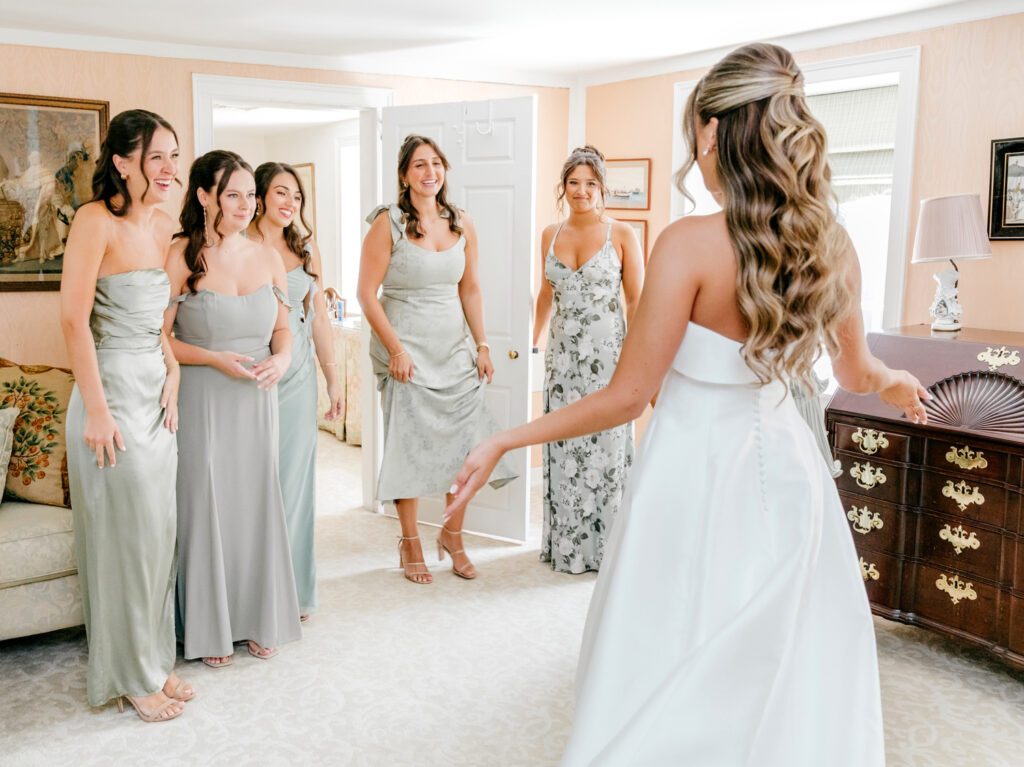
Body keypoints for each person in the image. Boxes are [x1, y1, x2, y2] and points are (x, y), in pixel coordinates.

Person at [447, 43, 929, 765]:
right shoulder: (833, 243)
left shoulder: (688, 244)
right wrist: (891, 379)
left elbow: (625, 397)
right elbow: (855, 371)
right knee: (786, 650)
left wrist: (502, 439)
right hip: (791, 475)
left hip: (693, 472)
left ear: (710, 132)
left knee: (672, 637)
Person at [61, 109, 192, 722]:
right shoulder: (95, 222)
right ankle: (130, 676)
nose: (170, 168)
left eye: (174, 155)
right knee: (124, 538)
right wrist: (95, 409)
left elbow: (152, 319)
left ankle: (152, 660)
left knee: (156, 533)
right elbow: (73, 320)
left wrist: (173, 367)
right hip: (108, 392)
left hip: (151, 392)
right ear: (122, 161)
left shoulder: (163, 225)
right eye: (156, 156)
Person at [357, 134, 517, 584]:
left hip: (455, 352)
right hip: (404, 353)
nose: (430, 173)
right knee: (407, 447)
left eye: (436, 164)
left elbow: (470, 287)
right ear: (405, 176)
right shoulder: (387, 224)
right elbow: (366, 295)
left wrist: (483, 345)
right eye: (419, 165)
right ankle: (409, 541)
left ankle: (452, 534)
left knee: (470, 449)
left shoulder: (462, 222)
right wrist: (396, 349)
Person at [164, 150, 301, 666]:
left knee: (256, 504)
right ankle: (209, 626)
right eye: (232, 194)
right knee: (207, 506)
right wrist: (212, 360)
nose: (246, 204)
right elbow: (155, 339)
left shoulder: (268, 255)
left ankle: (258, 618)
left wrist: (283, 359)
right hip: (202, 398)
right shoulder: (181, 253)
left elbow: (284, 330)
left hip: (258, 399)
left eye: (250, 194)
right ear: (204, 196)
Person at [533, 146, 643, 573]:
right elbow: (545, 294)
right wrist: (533, 342)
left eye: (590, 183)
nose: (581, 191)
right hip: (562, 362)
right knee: (564, 446)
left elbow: (636, 302)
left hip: (610, 358)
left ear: (602, 188)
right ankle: (567, 546)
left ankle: (608, 550)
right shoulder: (550, 234)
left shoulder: (622, 234)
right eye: (574, 183)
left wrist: (637, 359)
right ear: (564, 188)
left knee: (606, 450)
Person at [247, 161, 342, 620]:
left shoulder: (307, 250)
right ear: (260, 196)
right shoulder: (238, 245)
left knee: (294, 484)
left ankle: (294, 587)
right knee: (250, 482)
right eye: (281, 193)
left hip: (299, 375)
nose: (290, 204)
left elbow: (318, 318)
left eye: (297, 197)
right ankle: (252, 589)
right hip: (249, 376)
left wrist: (333, 377)